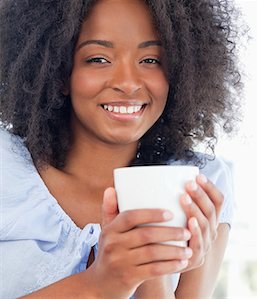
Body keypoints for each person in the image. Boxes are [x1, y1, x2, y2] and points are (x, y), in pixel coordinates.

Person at [0, 0, 243, 297]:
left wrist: (157, 270)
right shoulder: (6, 168)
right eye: (99, 59)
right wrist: (100, 284)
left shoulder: (199, 182)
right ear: (59, 70)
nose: (128, 83)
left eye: (151, 60)